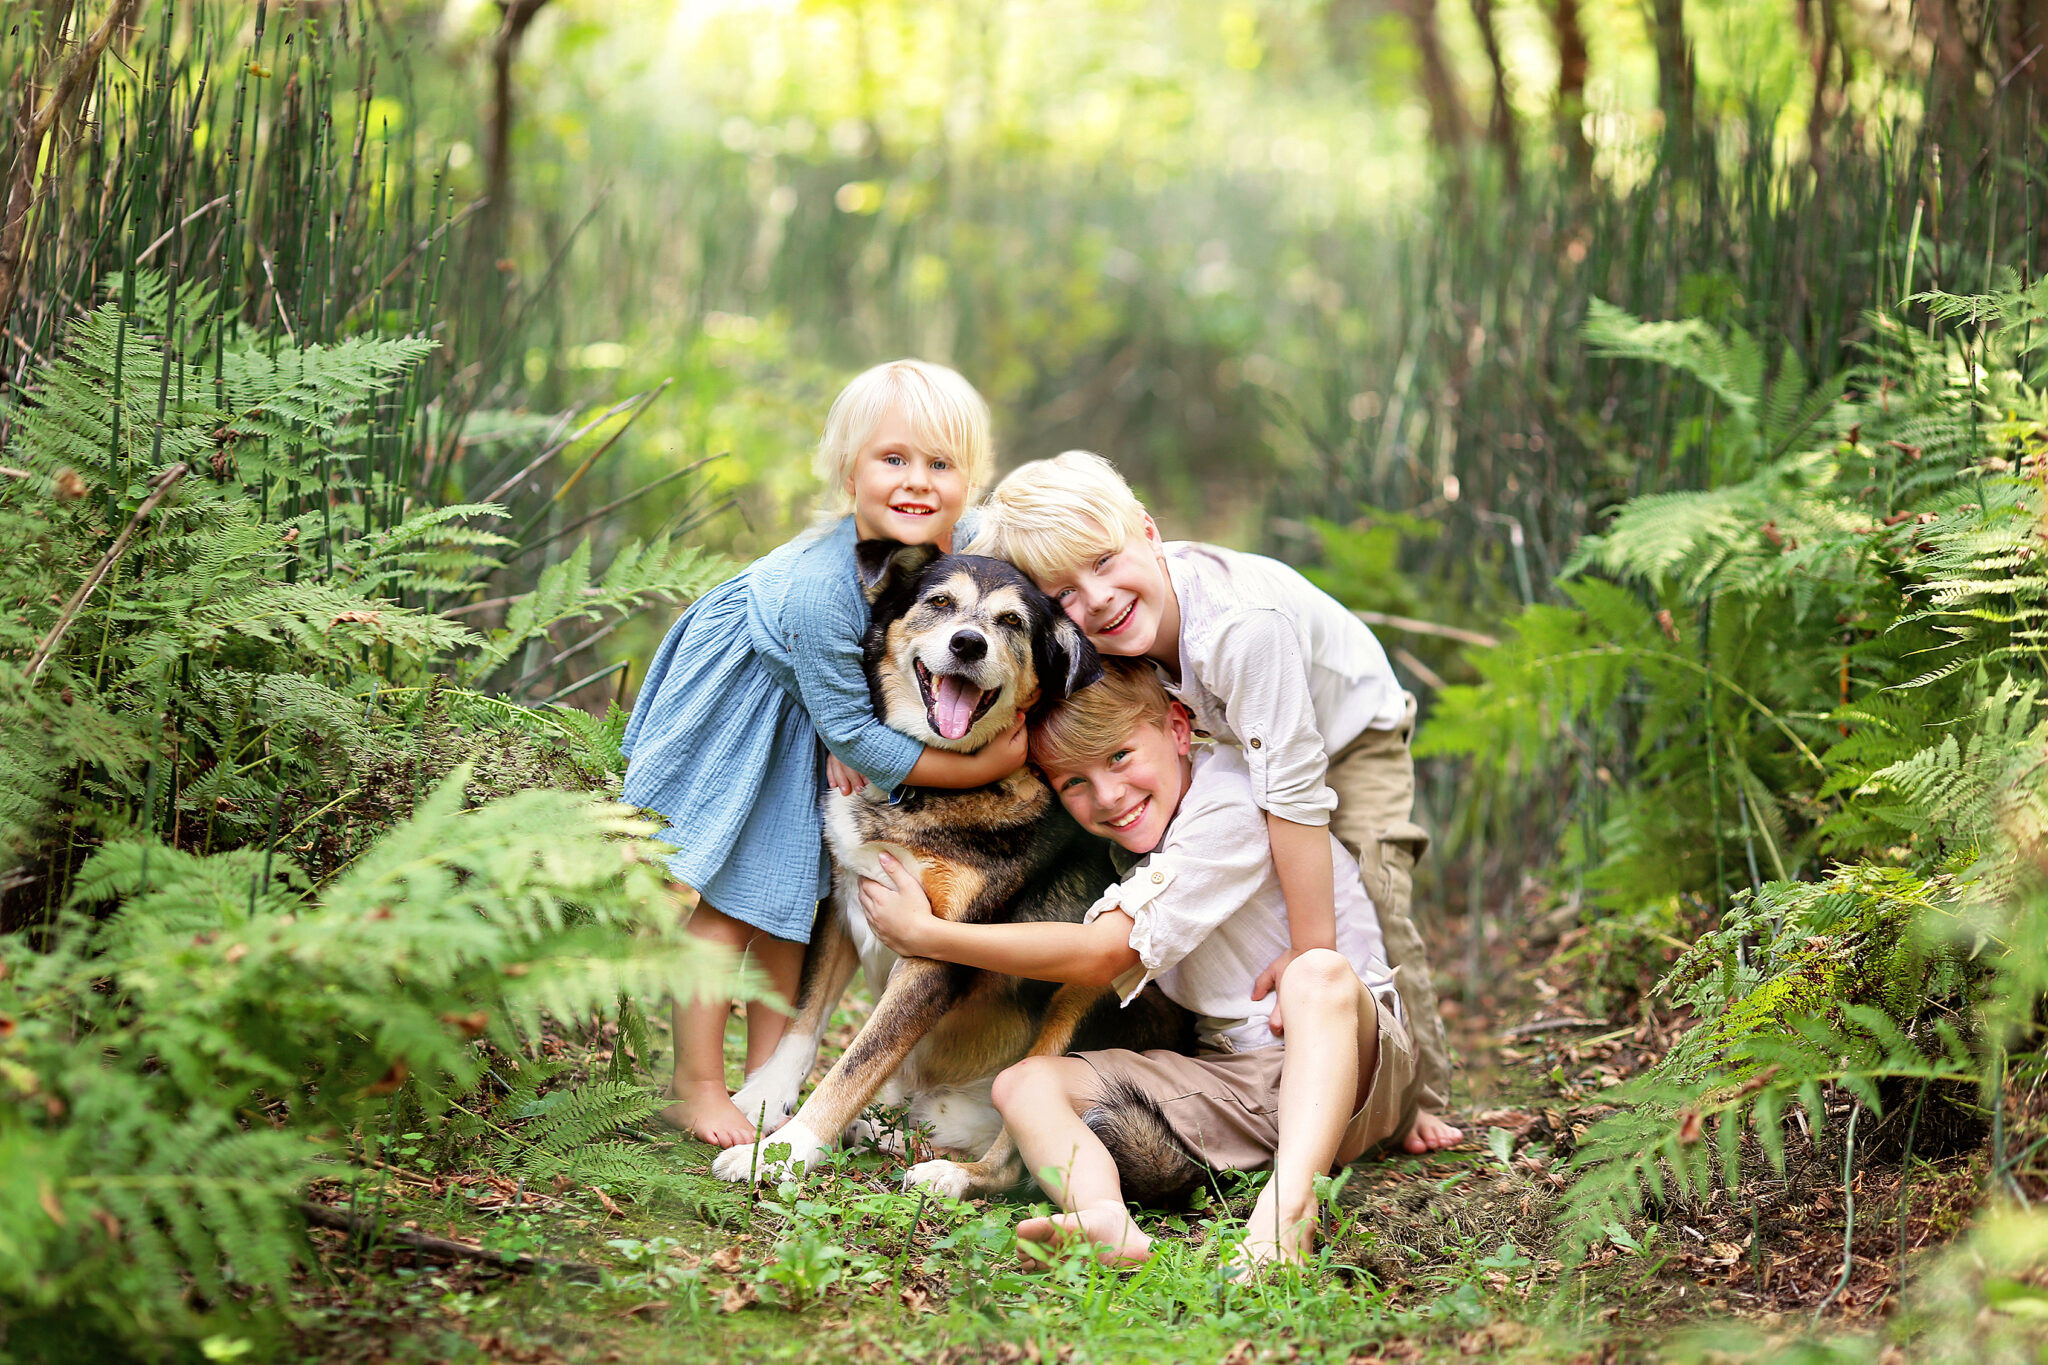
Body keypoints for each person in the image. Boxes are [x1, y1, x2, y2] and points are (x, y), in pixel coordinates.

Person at [967, 450, 1461, 1153]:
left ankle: (1418, 1096)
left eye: (1105, 561)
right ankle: (1236, 1054)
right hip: (1231, 724)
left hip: (1347, 729)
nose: (1097, 597)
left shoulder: (1238, 625)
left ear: (1147, 529)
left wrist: (1308, 953)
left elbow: (1291, 795)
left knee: (1375, 887)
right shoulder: (1107, 640)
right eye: (1065, 593)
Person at [860, 661, 1418, 1269]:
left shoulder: (1228, 804)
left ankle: (1286, 1214)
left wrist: (930, 936)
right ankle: (1104, 1217)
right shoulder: (1127, 840)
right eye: (1073, 782)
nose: (1108, 796)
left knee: (1316, 972)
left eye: (1121, 756)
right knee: (1025, 1083)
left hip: (1349, 1064)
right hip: (1241, 1081)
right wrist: (856, 749)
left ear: (1179, 727)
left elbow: (1101, 954)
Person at [621, 359, 1029, 1147]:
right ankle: (695, 1085)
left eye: (940, 464)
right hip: (757, 711)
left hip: (836, 706)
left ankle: (770, 1079)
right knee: (732, 900)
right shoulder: (818, 590)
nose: (917, 481)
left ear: (970, 480)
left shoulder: (964, 541)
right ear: (849, 471)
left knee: (798, 899)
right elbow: (853, 735)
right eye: (893, 459)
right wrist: (981, 767)